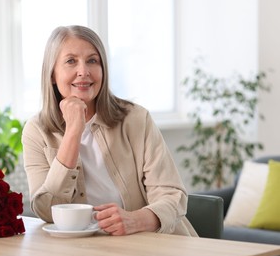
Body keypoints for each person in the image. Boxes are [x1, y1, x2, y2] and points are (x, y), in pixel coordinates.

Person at [22, 25, 197, 237]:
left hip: (155, 243)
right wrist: (73, 132)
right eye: (71, 61)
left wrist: (135, 220)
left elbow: (172, 195)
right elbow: (46, 210)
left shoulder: (136, 118)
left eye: (92, 61)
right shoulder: (36, 130)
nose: (83, 71)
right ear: (52, 74)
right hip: (87, 249)